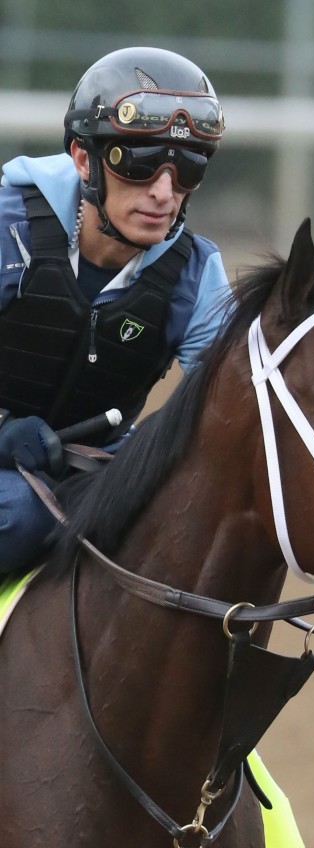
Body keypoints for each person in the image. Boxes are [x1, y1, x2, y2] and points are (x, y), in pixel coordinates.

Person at [0, 47, 229, 574]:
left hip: (94, 474)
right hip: (17, 496)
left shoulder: (197, 275)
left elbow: (240, 404)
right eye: (141, 162)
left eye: (188, 166)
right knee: (19, 513)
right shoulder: (10, 230)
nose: (164, 193)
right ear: (84, 159)